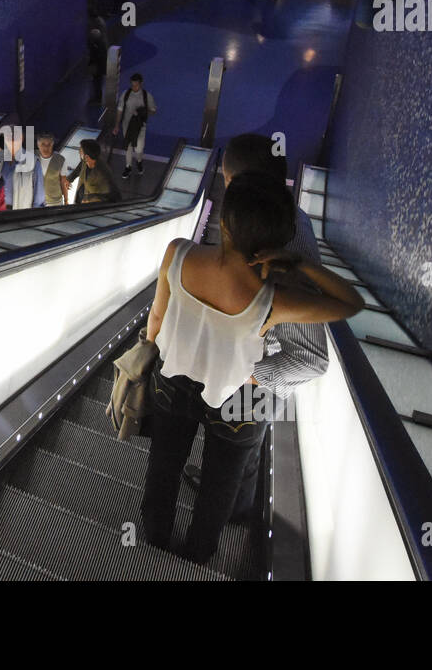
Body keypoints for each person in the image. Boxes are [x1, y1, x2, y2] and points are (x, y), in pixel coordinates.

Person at [139, 172, 364, 562]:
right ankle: (198, 554)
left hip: (171, 382)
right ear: (275, 243)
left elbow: (156, 321)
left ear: (223, 220)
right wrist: (300, 265)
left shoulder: (177, 253)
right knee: (220, 485)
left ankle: (155, 537)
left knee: (163, 465)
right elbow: (350, 303)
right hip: (238, 400)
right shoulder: (272, 300)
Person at [182, 133, 329, 519]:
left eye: (228, 182)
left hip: (257, 376)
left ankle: (231, 510)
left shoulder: (288, 247)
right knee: (235, 446)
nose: (226, 190)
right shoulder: (275, 223)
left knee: (238, 444)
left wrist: (249, 373)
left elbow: (312, 360)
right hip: (249, 366)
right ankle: (234, 499)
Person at [114, 73, 157, 178]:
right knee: (128, 147)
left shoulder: (147, 96)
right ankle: (128, 166)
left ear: (141, 84)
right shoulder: (126, 94)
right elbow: (119, 110)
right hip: (126, 126)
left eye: (136, 85)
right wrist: (116, 126)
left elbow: (153, 111)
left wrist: (142, 111)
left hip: (140, 127)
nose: (134, 87)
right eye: (132, 85)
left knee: (138, 148)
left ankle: (139, 161)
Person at [1, 127, 45, 210]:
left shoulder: (33, 161)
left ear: (22, 138)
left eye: (16, 135)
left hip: (19, 214)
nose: (12, 138)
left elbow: (39, 197)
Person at [67, 138, 121, 203]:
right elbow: (79, 167)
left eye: (81, 150)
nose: (79, 152)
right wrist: (69, 179)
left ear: (86, 157)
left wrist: (90, 198)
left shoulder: (103, 173)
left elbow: (113, 195)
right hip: (80, 200)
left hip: (91, 206)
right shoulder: (85, 161)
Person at [36, 132, 70, 206]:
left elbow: (63, 181)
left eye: (49, 145)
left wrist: (66, 200)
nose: (46, 147)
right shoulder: (32, 157)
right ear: (38, 145)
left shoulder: (60, 159)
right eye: (43, 144)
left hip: (54, 202)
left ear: (52, 145)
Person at [86, 25, 107, 108]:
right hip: (100, 68)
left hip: (98, 68)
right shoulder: (101, 44)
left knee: (97, 83)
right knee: (97, 82)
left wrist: (92, 65)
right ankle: (97, 98)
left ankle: (98, 99)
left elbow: (96, 57)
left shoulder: (97, 46)